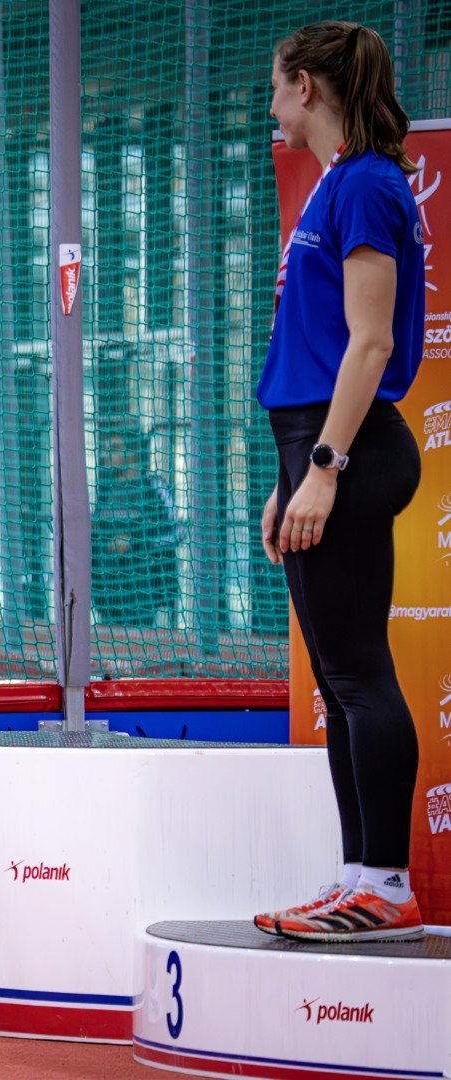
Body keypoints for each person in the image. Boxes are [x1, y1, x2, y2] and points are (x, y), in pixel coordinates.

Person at [254, 21, 426, 942]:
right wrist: (294, 479)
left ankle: (387, 887)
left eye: (276, 87)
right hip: (314, 445)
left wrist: (324, 465)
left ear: (309, 88)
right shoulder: (336, 186)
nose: (271, 103)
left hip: (347, 447)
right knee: (338, 676)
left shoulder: (364, 184)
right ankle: (361, 876)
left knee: (358, 676)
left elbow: (372, 342)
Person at [90, 427, 181, 628]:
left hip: (148, 599)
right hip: (110, 597)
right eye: (105, 449)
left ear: (132, 452)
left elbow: (177, 533)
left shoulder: (153, 487)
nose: (106, 455)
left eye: (114, 448)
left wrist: (135, 542)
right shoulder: (106, 490)